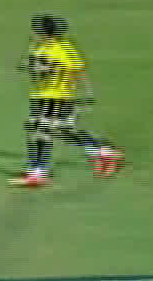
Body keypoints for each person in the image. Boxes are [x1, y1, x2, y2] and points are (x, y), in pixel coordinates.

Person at [12, 14, 125, 188]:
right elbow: (30, 65)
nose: (32, 33)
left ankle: (38, 172)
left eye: (36, 30)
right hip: (39, 95)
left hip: (57, 96)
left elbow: (78, 70)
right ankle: (101, 150)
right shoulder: (37, 46)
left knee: (41, 131)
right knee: (59, 130)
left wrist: (85, 95)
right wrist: (32, 66)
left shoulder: (64, 48)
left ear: (45, 32)